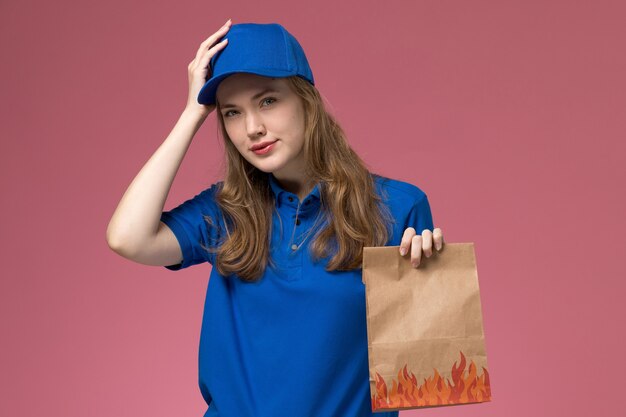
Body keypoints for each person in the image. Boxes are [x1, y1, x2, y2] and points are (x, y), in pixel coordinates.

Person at [106, 20, 444, 417]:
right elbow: (127, 238)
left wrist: (427, 286)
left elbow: (421, 375)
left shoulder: (397, 206)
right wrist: (191, 114)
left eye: (268, 101)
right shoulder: (226, 211)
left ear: (306, 100)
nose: (253, 128)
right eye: (232, 112)